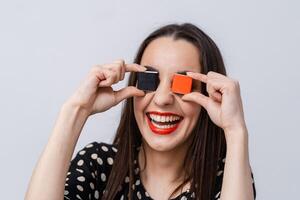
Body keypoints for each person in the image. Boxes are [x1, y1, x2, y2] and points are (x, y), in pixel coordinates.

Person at [25, 23, 256, 200]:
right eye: (149, 80)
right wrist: (76, 110)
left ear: (207, 95)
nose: (163, 99)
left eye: (182, 84)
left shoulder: (226, 179)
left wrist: (235, 130)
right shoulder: (99, 164)